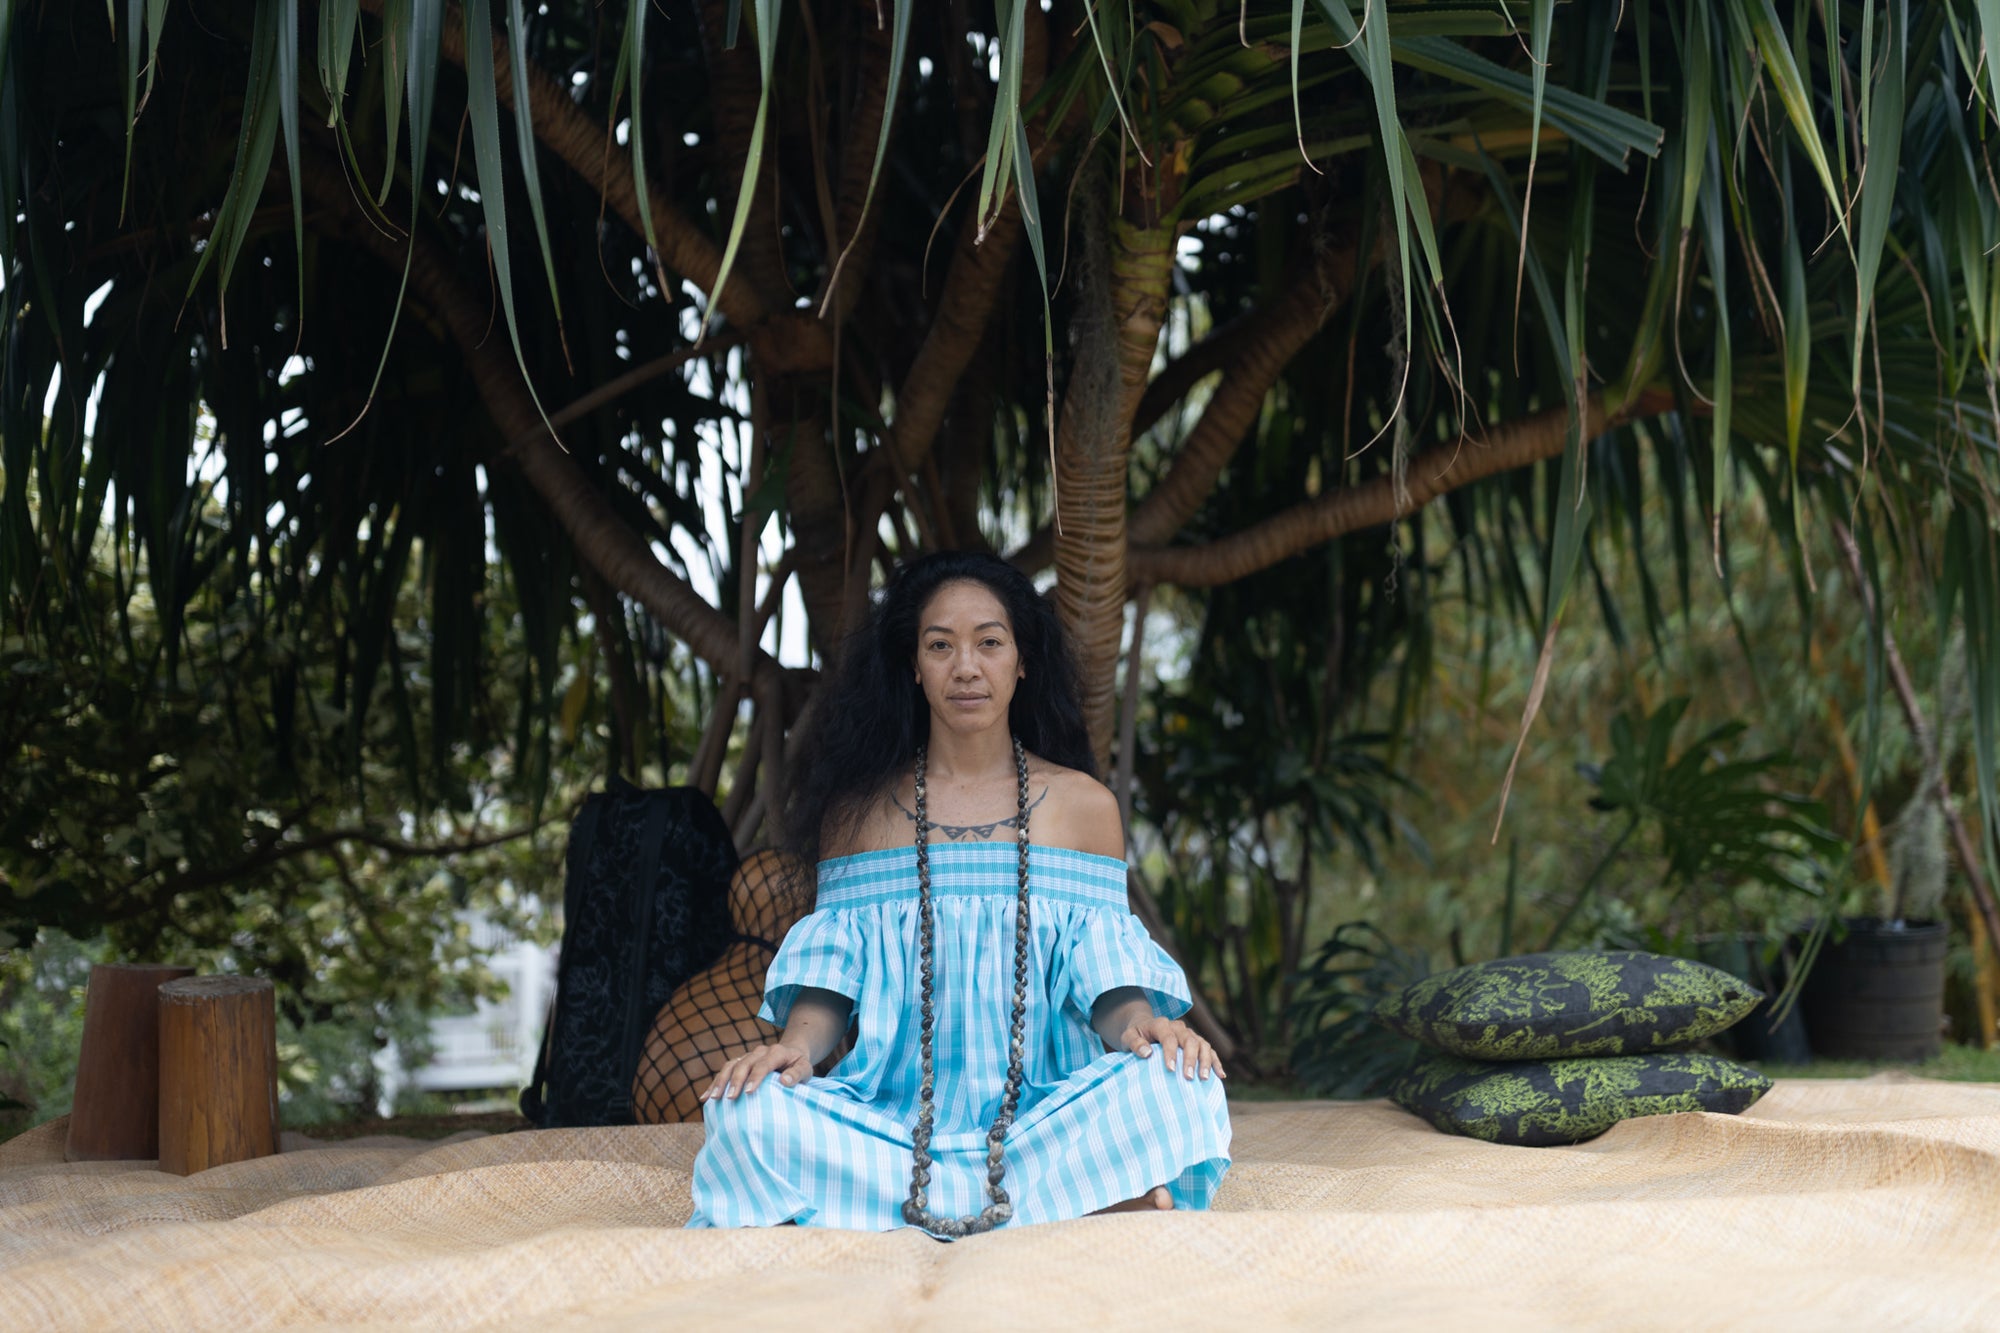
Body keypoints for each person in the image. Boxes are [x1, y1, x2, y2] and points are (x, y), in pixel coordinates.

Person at [686, 551, 1232, 1234]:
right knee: (747, 1111)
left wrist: (1142, 1028)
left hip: (1043, 1126)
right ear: (914, 665)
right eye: (940, 645)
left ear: (1022, 660)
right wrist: (795, 1048)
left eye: (989, 642)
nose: (966, 667)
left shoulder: (1083, 806)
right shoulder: (858, 816)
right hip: (891, 1133)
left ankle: (879, 1214)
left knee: (1180, 1082)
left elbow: (1107, 977)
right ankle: (1079, 1205)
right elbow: (830, 980)